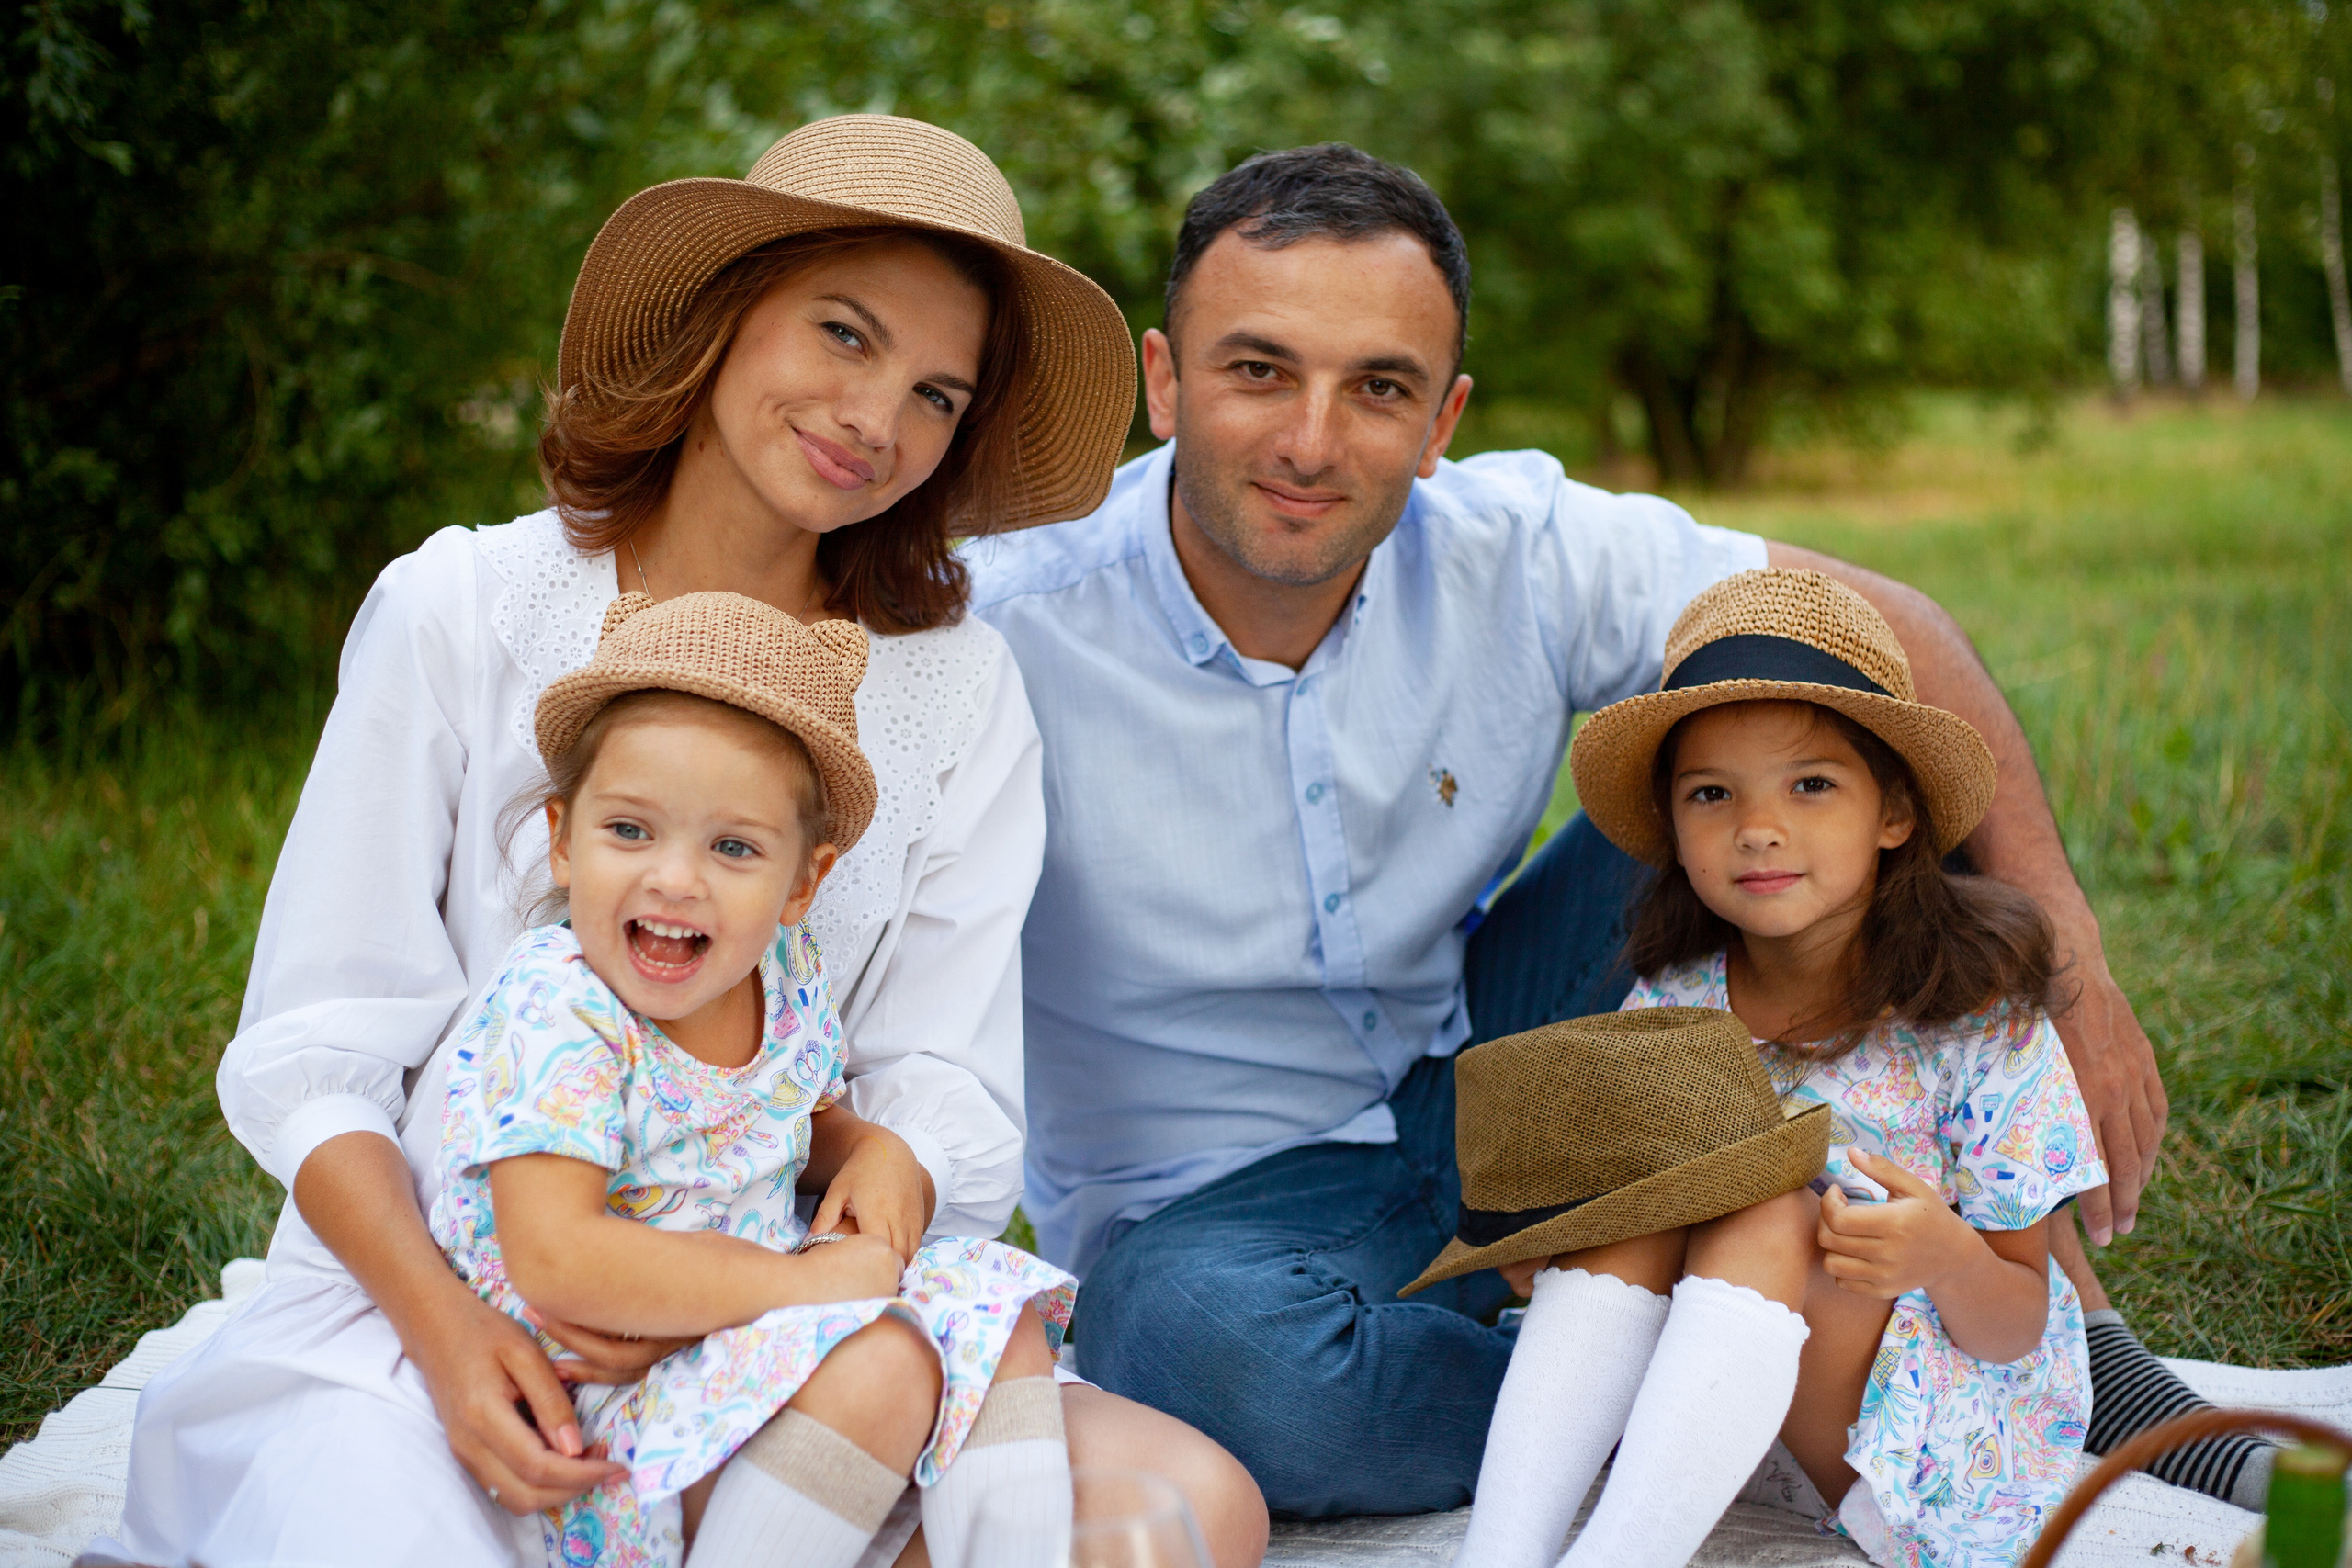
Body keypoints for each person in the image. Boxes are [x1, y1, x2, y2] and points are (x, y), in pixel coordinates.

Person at [964, 141, 2211, 1519]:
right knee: (1200, 1351)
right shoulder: (1004, 627)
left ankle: (2076, 1342)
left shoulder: (1516, 543)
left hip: (1508, 1058)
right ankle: (1715, 1376)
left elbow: (1888, 633)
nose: (1312, 441)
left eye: (1379, 387)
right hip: (1220, 1207)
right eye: (1258, 370)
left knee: (1803, 764)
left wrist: (2067, 956)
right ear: (1162, 382)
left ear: (1443, 419)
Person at [107, 115, 1265, 1568]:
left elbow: (940, 1071)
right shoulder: (464, 608)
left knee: (1191, 1510)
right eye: (842, 333)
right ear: (726, 312)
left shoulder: (957, 686)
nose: (875, 416)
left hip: (784, 1300)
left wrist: (880, 1192)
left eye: (935, 393)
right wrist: (454, 1336)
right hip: (461, 1290)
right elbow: (319, 1047)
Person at [1446, 568, 2105, 1568]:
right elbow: (1610, 1234)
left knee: (1763, 1204)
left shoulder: (1977, 1017)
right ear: (1673, 828)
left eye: (1810, 784)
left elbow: (2018, 1322)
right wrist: (1554, 1245)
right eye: (1712, 793)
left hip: (1925, 1435)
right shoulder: (1676, 999)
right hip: (1712, 1409)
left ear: (1893, 810)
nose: (1758, 827)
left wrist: (1948, 1257)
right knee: (1640, 1211)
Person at [431, 590, 1076, 1568]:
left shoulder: (779, 975)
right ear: (562, 838)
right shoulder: (558, 1007)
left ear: (803, 883)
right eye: (630, 831)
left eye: (732, 847)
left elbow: (788, 1122)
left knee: (999, 1314)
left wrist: (873, 1150)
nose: (675, 878)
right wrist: (796, 1288)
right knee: (888, 1368)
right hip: (606, 1404)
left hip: (737, 1345)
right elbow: (556, 1258)